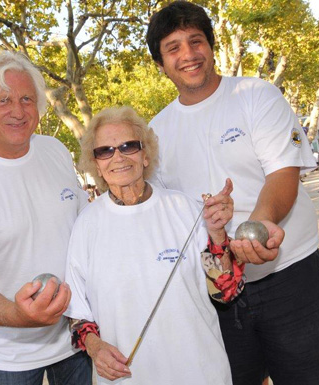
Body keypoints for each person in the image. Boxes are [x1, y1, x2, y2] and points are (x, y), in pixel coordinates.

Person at [146, 2, 319, 384]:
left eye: (195, 41)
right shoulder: (156, 131)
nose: (188, 55)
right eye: (173, 48)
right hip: (217, 297)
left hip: (290, 279)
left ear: (211, 46)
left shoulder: (257, 95)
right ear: (160, 64)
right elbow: (164, 217)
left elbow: (283, 172)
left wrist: (259, 224)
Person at [0, 51, 92, 385]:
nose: (18, 111)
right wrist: (20, 315)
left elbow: (86, 228)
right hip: (12, 356)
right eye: (2, 101)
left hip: (76, 337)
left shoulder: (55, 150)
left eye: (26, 99)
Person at [65, 106, 242, 385]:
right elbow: (77, 314)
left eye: (128, 146)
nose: (118, 157)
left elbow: (224, 291)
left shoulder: (185, 208)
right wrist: (95, 348)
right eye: (105, 151)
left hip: (200, 373)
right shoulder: (85, 225)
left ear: (145, 154)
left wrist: (218, 234)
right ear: (95, 163)